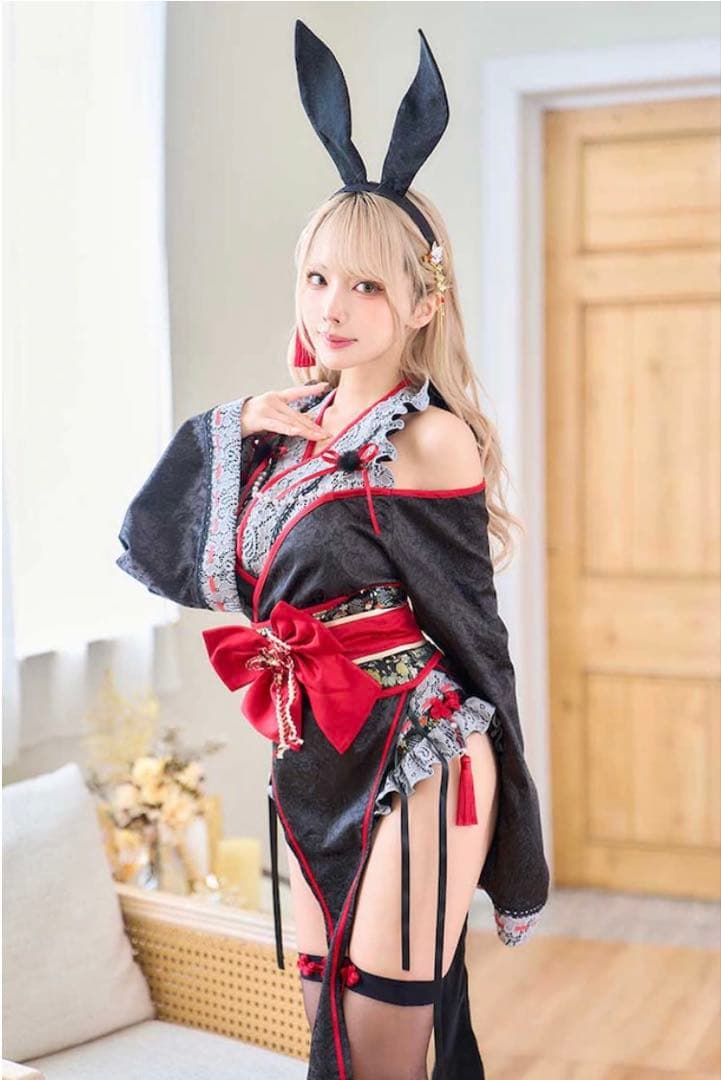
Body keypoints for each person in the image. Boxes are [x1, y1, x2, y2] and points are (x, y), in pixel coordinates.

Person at [116, 21, 549, 1080]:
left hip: (416, 749)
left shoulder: (428, 438)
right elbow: (173, 558)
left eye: (365, 287)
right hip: (312, 753)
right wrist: (232, 424)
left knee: (381, 1042)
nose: (333, 309)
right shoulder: (281, 430)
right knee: (328, 1034)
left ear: (422, 301)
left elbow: (470, 628)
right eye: (318, 279)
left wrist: (516, 806)